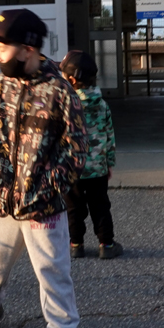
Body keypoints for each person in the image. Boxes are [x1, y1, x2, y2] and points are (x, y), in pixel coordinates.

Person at [0, 9, 95, 328]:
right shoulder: (0, 86)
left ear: (26, 48)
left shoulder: (61, 92)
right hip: (1, 199)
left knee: (53, 269)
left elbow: (76, 150)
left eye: (2, 46)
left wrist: (45, 188)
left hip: (43, 205)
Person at [59, 50, 122, 260]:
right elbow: (109, 136)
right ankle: (107, 244)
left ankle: (76, 245)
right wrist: (109, 163)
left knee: (73, 208)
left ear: (72, 79)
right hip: (98, 168)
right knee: (101, 206)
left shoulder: (64, 105)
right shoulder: (102, 105)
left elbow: (58, 137)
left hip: (71, 168)